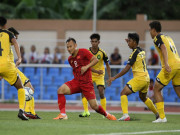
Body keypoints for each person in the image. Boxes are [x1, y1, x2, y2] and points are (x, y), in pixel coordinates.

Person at [53, 38, 116, 120]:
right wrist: (87, 69)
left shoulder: (83, 51)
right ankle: (63, 114)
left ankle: (107, 115)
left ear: (75, 45)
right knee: (60, 90)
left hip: (86, 83)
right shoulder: (70, 59)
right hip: (76, 82)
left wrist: (86, 67)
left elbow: (95, 60)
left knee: (94, 106)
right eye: (67, 47)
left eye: (70, 46)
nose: (69, 49)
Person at [107, 33, 159, 121]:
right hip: (146, 78)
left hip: (140, 78)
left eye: (130, 41)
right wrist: (130, 41)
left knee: (123, 93)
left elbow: (127, 68)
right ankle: (157, 114)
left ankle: (125, 115)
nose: (128, 43)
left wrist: (114, 77)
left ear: (134, 42)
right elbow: (136, 47)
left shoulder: (134, 54)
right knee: (143, 97)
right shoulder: (141, 50)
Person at [149, 21, 180, 123]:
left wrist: (166, 64)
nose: (149, 32)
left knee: (156, 89)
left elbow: (163, 48)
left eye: (150, 30)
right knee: (178, 91)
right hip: (178, 64)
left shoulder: (157, 38)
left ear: (154, 30)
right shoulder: (168, 37)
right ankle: (162, 117)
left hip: (170, 65)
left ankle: (162, 117)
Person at [7, 27, 41, 119]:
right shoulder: (7, 45)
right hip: (11, 69)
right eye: (15, 37)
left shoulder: (5, 45)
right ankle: (27, 111)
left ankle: (31, 112)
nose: (16, 40)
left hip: (10, 68)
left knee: (29, 88)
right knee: (29, 88)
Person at [0, 17, 28, 120]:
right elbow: (15, 43)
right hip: (7, 65)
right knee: (20, 87)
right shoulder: (8, 33)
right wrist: (20, 58)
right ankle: (21, 111)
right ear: (5, 25)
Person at [79, 33, 111, 117]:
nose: (94, 43)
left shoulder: (102, 53)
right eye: (92, 41)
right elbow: (86, 66)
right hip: (89, 74)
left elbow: (107, 65)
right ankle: (86, 112)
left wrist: (110, 77)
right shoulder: (87, 52)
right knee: (83, 92)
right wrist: (96, 71)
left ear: (98, 42)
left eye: (95, 41)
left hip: (100, 75)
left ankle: (104, 113)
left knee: (101, 92)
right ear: (91, 42)